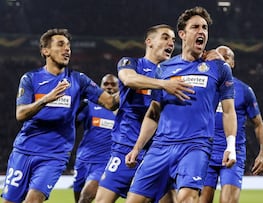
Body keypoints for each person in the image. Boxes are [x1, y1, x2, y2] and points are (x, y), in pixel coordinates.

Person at [125, 6, 237, 203]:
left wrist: (231, 145)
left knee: (187, 198)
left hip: (196, 146)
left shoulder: (219, 68)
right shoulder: (164, 69)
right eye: (195, 27)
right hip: (161, 146)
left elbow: (228, 111)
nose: (201, 31)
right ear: (183, 34)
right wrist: (137, 147)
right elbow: (154, 113)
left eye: (204, 27)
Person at [1, 28, 119, 203]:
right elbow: (21, 114)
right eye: (61, 44)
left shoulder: (79, 80)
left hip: (55, 155)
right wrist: (45, 100)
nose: (67, 49)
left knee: (33, 200)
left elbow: (110, 103)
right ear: (45, 51)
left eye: (69, 46)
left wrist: (129, 85)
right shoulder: (30, 78)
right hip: (24, 150)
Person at [94, 24, 195, 203]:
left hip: (159, 150)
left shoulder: (173, 72)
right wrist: (163, 84)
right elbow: (128, 79)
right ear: (149, 41)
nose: (171, 42)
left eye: (173, 39)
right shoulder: (131, 63)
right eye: (165, 37)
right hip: (125, 145)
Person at [200, 45, 263, 203]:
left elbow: (259, 124)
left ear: (232, 63)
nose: (222, 58)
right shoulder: (203, 85)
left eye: (227, 56)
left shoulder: (244, 90)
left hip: (232, 153)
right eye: (219, 54)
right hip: (205, 152)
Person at [73, 74, 119, 203]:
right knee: (79, 199)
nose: (109, 87)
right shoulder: (89, 105)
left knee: (86, 197)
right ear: (100, 87)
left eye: (113, 84)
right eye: (106, 84)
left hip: (104, 162)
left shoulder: (124, 110)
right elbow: (73, 125)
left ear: (119, 87)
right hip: (83, 159)